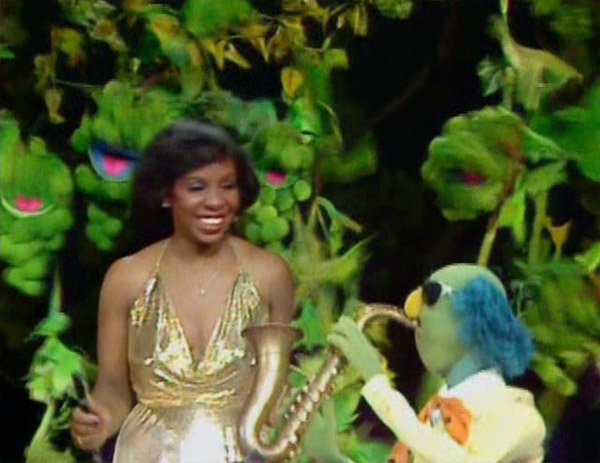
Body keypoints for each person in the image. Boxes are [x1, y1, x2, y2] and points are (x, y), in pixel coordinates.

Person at [70, 120, 295, 463]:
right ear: (165, 194)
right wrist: (98, 421)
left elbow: (277, 390)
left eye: (228, 186)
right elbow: (113, 388)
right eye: (197, 187)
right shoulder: (126, 279)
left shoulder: (270, 275)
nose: (216, 201)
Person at [329, 264, 546, 463]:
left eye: (432, 294)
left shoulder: (519, 417)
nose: (412, 309)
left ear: (474, 318)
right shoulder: (432, 418)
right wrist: (331, 456)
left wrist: (378, 385)